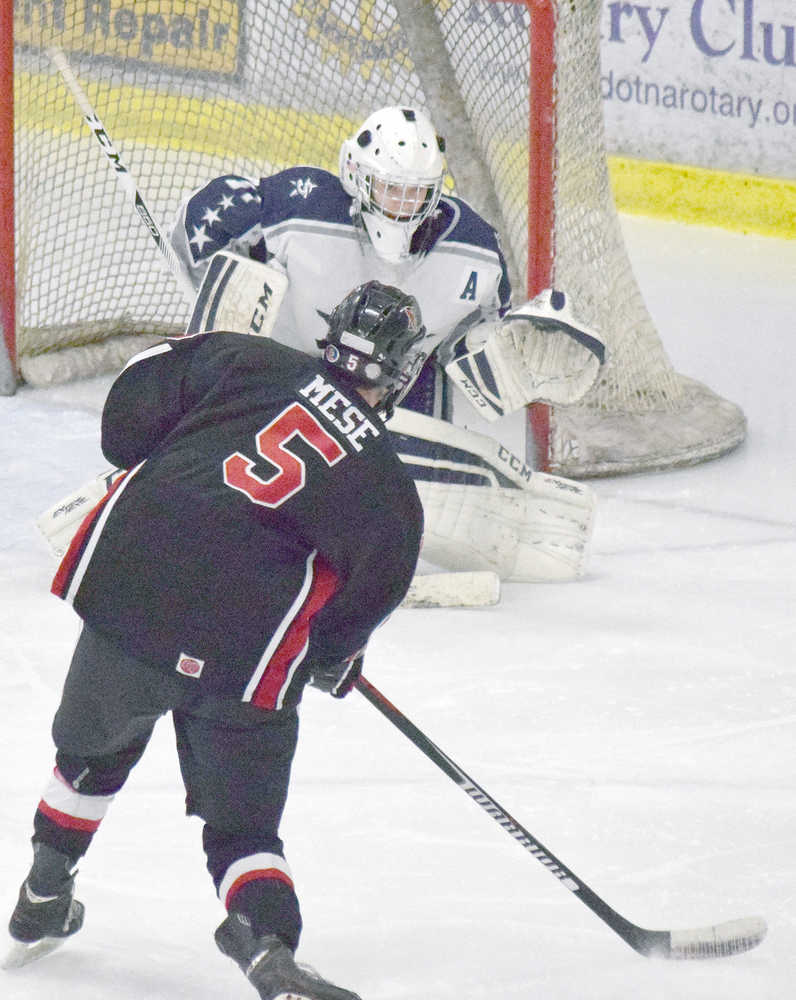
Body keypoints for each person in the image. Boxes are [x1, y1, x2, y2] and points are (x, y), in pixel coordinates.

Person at [4, 281, 426, 1000]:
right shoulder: (388, 485)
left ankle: (45, 891)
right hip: (240, 646)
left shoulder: (245, 358)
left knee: (91, 756)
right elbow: (368, 596)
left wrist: (164, 459)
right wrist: (331, 655)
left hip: (131, 583)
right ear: (403, 372)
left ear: (331, 341)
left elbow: (130, 405)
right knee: (243, 829)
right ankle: (264, 944)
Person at [168, 105, 605, 583]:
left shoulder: (474, 252)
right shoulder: (295, 213)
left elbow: (468, 353)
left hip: (388, 403)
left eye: (416, 193)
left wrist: (511, 355)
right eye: (391, 188)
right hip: (281, 386)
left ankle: (392, 521)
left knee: (385, 507)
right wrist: (203, 237)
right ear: (357, 176)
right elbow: (202, 260)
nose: (402, 205)